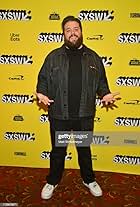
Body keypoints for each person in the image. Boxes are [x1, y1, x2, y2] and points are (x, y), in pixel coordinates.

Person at [36, 15, 119, 199]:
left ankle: (88, 179)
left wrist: (105, 93)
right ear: (63, 34)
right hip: (60, 116)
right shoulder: (53, 57)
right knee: (58, 151)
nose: (72, 33)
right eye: (68, 30)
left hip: (83, 116)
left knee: (84, 150)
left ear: (81, 31)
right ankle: (52, 181)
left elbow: (101, 83)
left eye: (75, 29)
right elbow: (43, 80)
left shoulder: (93, 57)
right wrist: (41, 92)